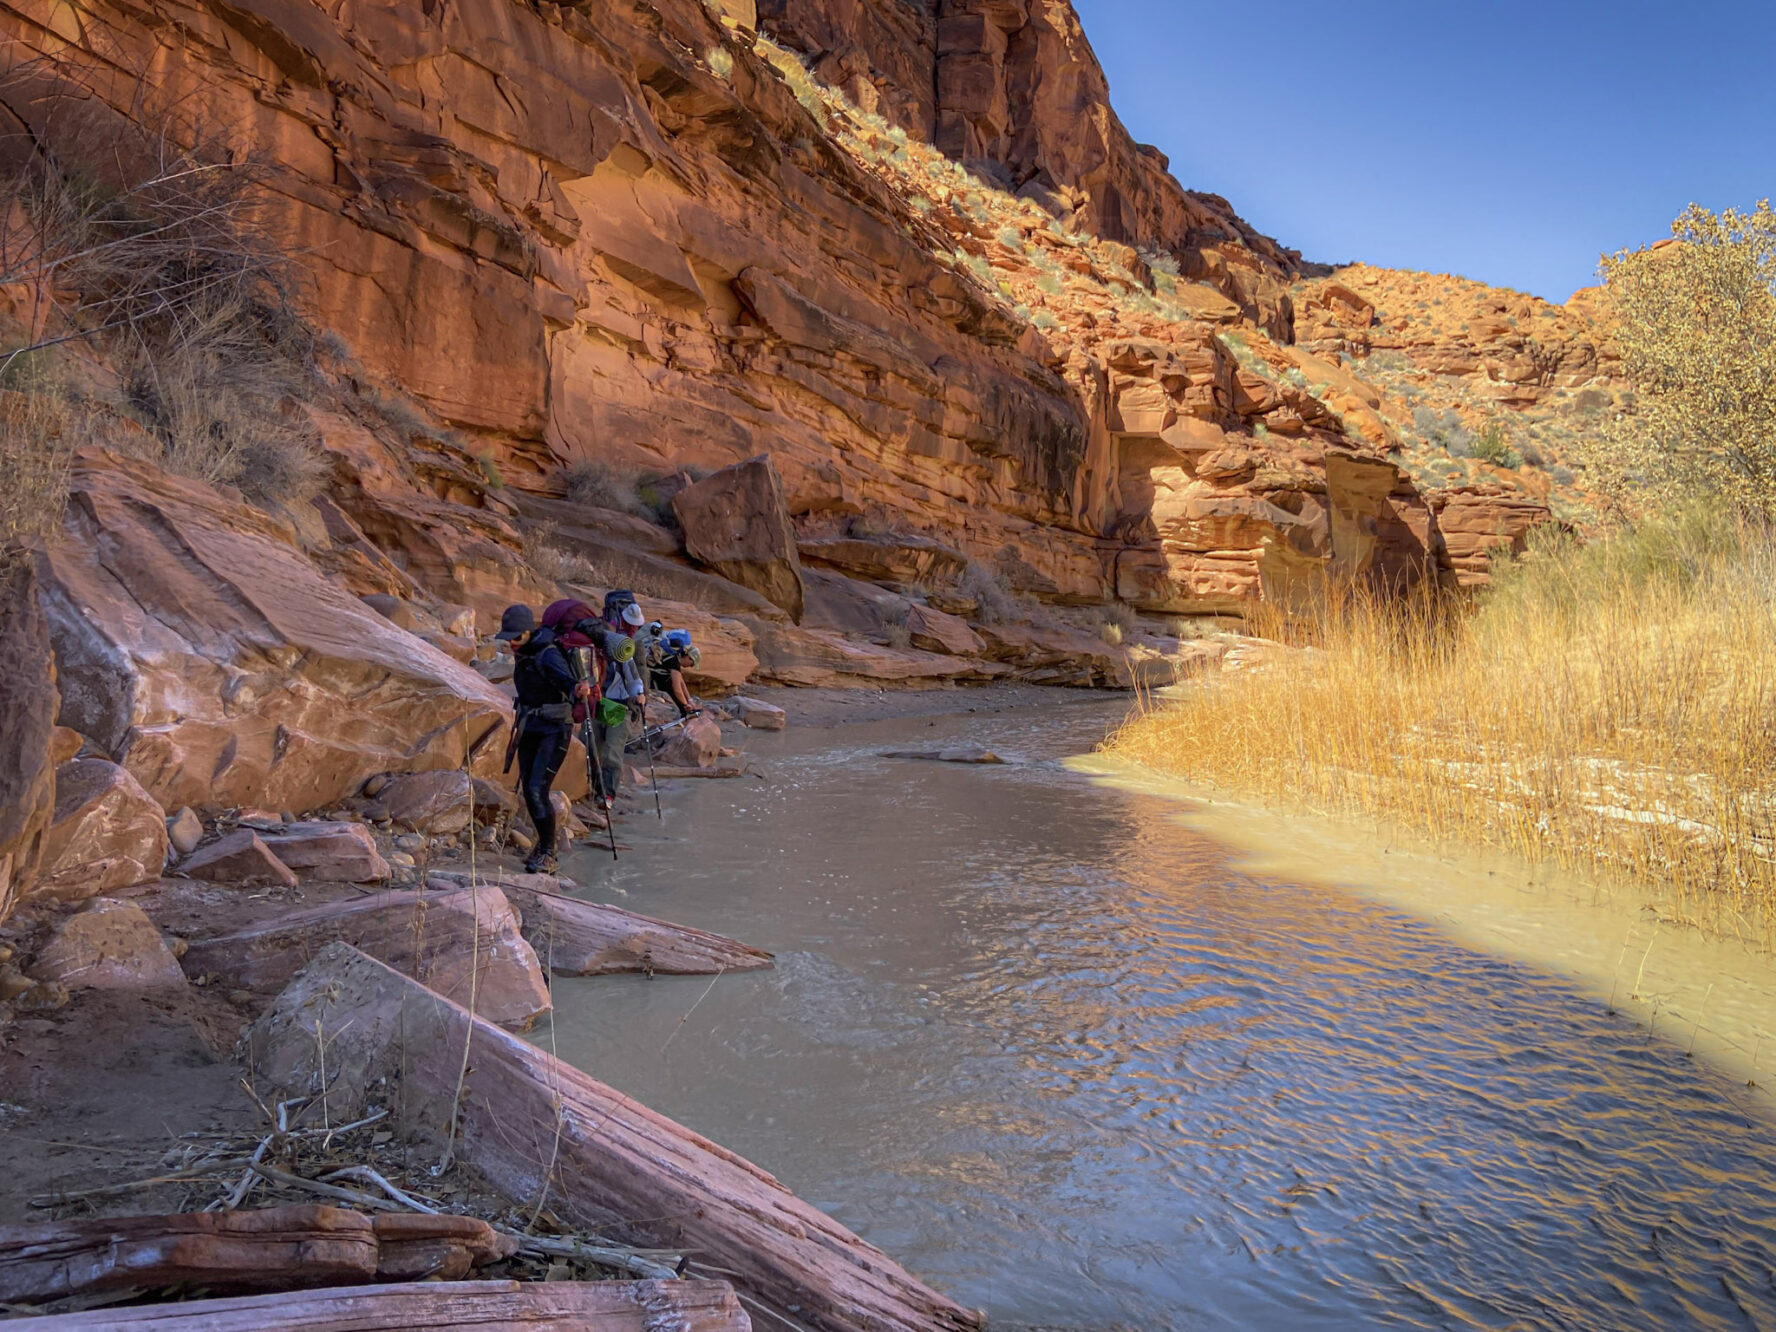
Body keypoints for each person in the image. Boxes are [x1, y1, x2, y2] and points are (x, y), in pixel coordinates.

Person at [500, 603, 589, 875]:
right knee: (530, 789)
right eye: (508, 638)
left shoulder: (548, 654)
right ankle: (542, 846)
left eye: (516, 637)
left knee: (538, 789)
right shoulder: (525, 651)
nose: (512, 643)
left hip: (554, 729)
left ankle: (549, 853)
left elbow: (567, 683)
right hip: (532, 725)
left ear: (528, 632)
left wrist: (578, 688)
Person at [643, 622, 701, 719]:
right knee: (670, 683)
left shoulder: (674, 657)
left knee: (672, 681)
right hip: (649, 679)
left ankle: (685, 712)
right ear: (689, 657)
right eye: (692, 664)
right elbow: (677, 689)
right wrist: (686, 705)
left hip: (650, 675)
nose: (690, 667)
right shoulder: (674, 662)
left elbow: (681, 682)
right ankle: (685, 713)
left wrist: (689, 700)